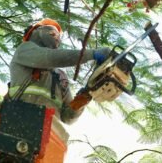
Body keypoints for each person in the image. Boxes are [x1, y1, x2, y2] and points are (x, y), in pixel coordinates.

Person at [7, 18, 111, 162]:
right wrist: (91, 54)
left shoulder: (60, 76)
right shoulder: (25, 50)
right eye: (52, 31)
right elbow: (50, 58)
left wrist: (86, 95)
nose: (56, 37)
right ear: (37, 32)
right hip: (19, 122)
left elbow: (67, 116)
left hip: (49, 135)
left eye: (58, 35)